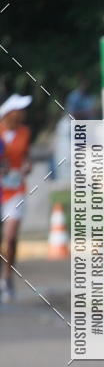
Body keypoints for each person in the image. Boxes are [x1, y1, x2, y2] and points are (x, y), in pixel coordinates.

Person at [0, 94, 32, 302]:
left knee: (11, 236)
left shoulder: (25, 132)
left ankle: (8, 277)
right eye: (20, 109)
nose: (23, 113)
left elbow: (26, 156)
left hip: (16, 189)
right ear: (10, 113)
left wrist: (26, 166)